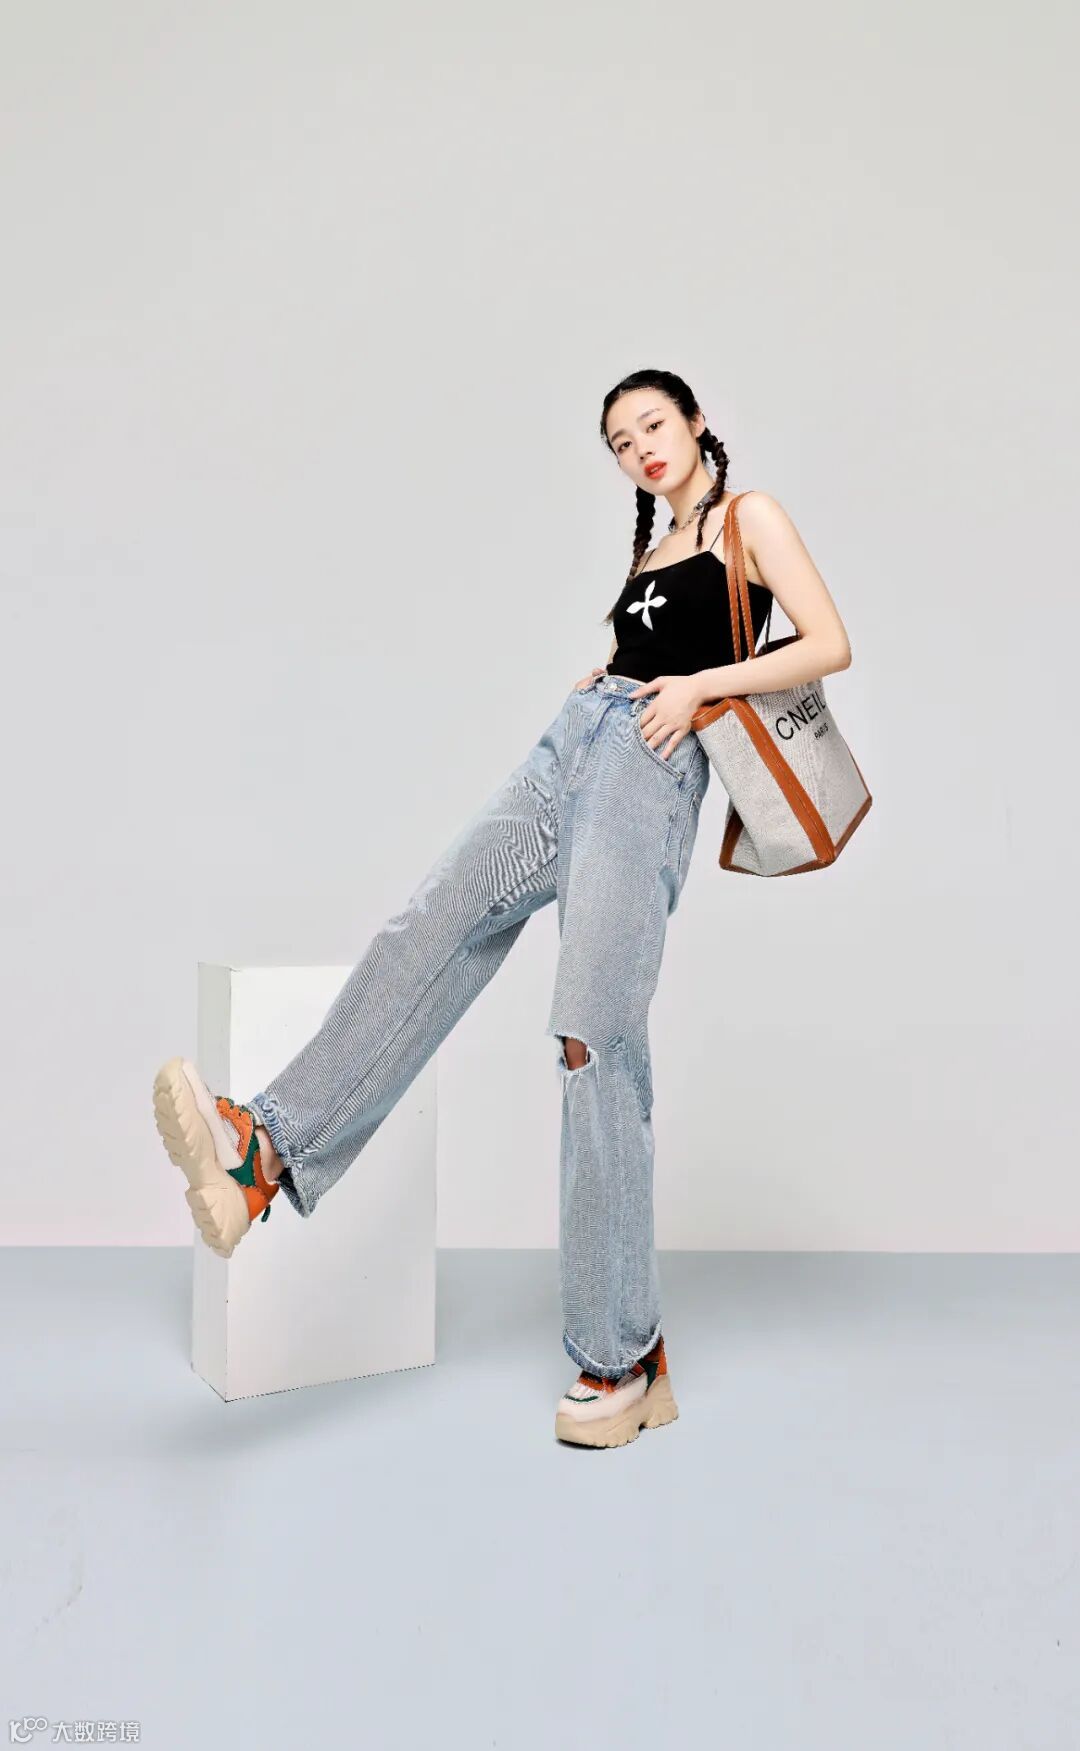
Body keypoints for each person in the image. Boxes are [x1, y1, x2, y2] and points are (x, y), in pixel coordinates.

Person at [152, 367, 852, 1449]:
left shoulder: (748, 517)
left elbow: (828, 641)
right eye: (620, 441)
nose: (641, 448)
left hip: (650, 766)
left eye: (653, 424)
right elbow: (648, 647)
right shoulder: (653, 549)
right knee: (431, 926)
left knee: (592, 1036)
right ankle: (264, 1151)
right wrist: (607, 674)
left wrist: (699, 687)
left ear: (697, 422)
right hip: (573, 746)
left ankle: (623, 1357)